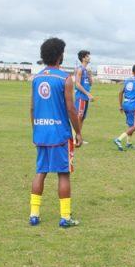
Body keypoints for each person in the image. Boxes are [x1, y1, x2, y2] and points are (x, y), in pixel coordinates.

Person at [29, 38, 83, 228]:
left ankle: (34, 214)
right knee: (63, 175)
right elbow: (71, 109)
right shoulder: (64, 78)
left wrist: (36, 131)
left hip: (41, 132)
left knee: (40, 172)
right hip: (60, 134)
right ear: (60, 55)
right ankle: (65, 217)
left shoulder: (36, 78)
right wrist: (78, 132)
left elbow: (32, 109)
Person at [74, 50, 94, 144]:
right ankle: (75, 138)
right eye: (87, 56)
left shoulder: (86, 70)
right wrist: (87, 93)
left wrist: (90, 75)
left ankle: (79, 138)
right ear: (83, 58)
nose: (89, 58)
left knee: (82, 118)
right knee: (78, 117)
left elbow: (91, 83)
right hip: (81, 97)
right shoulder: (80, 69)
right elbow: (77, 84)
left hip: (85, 97)